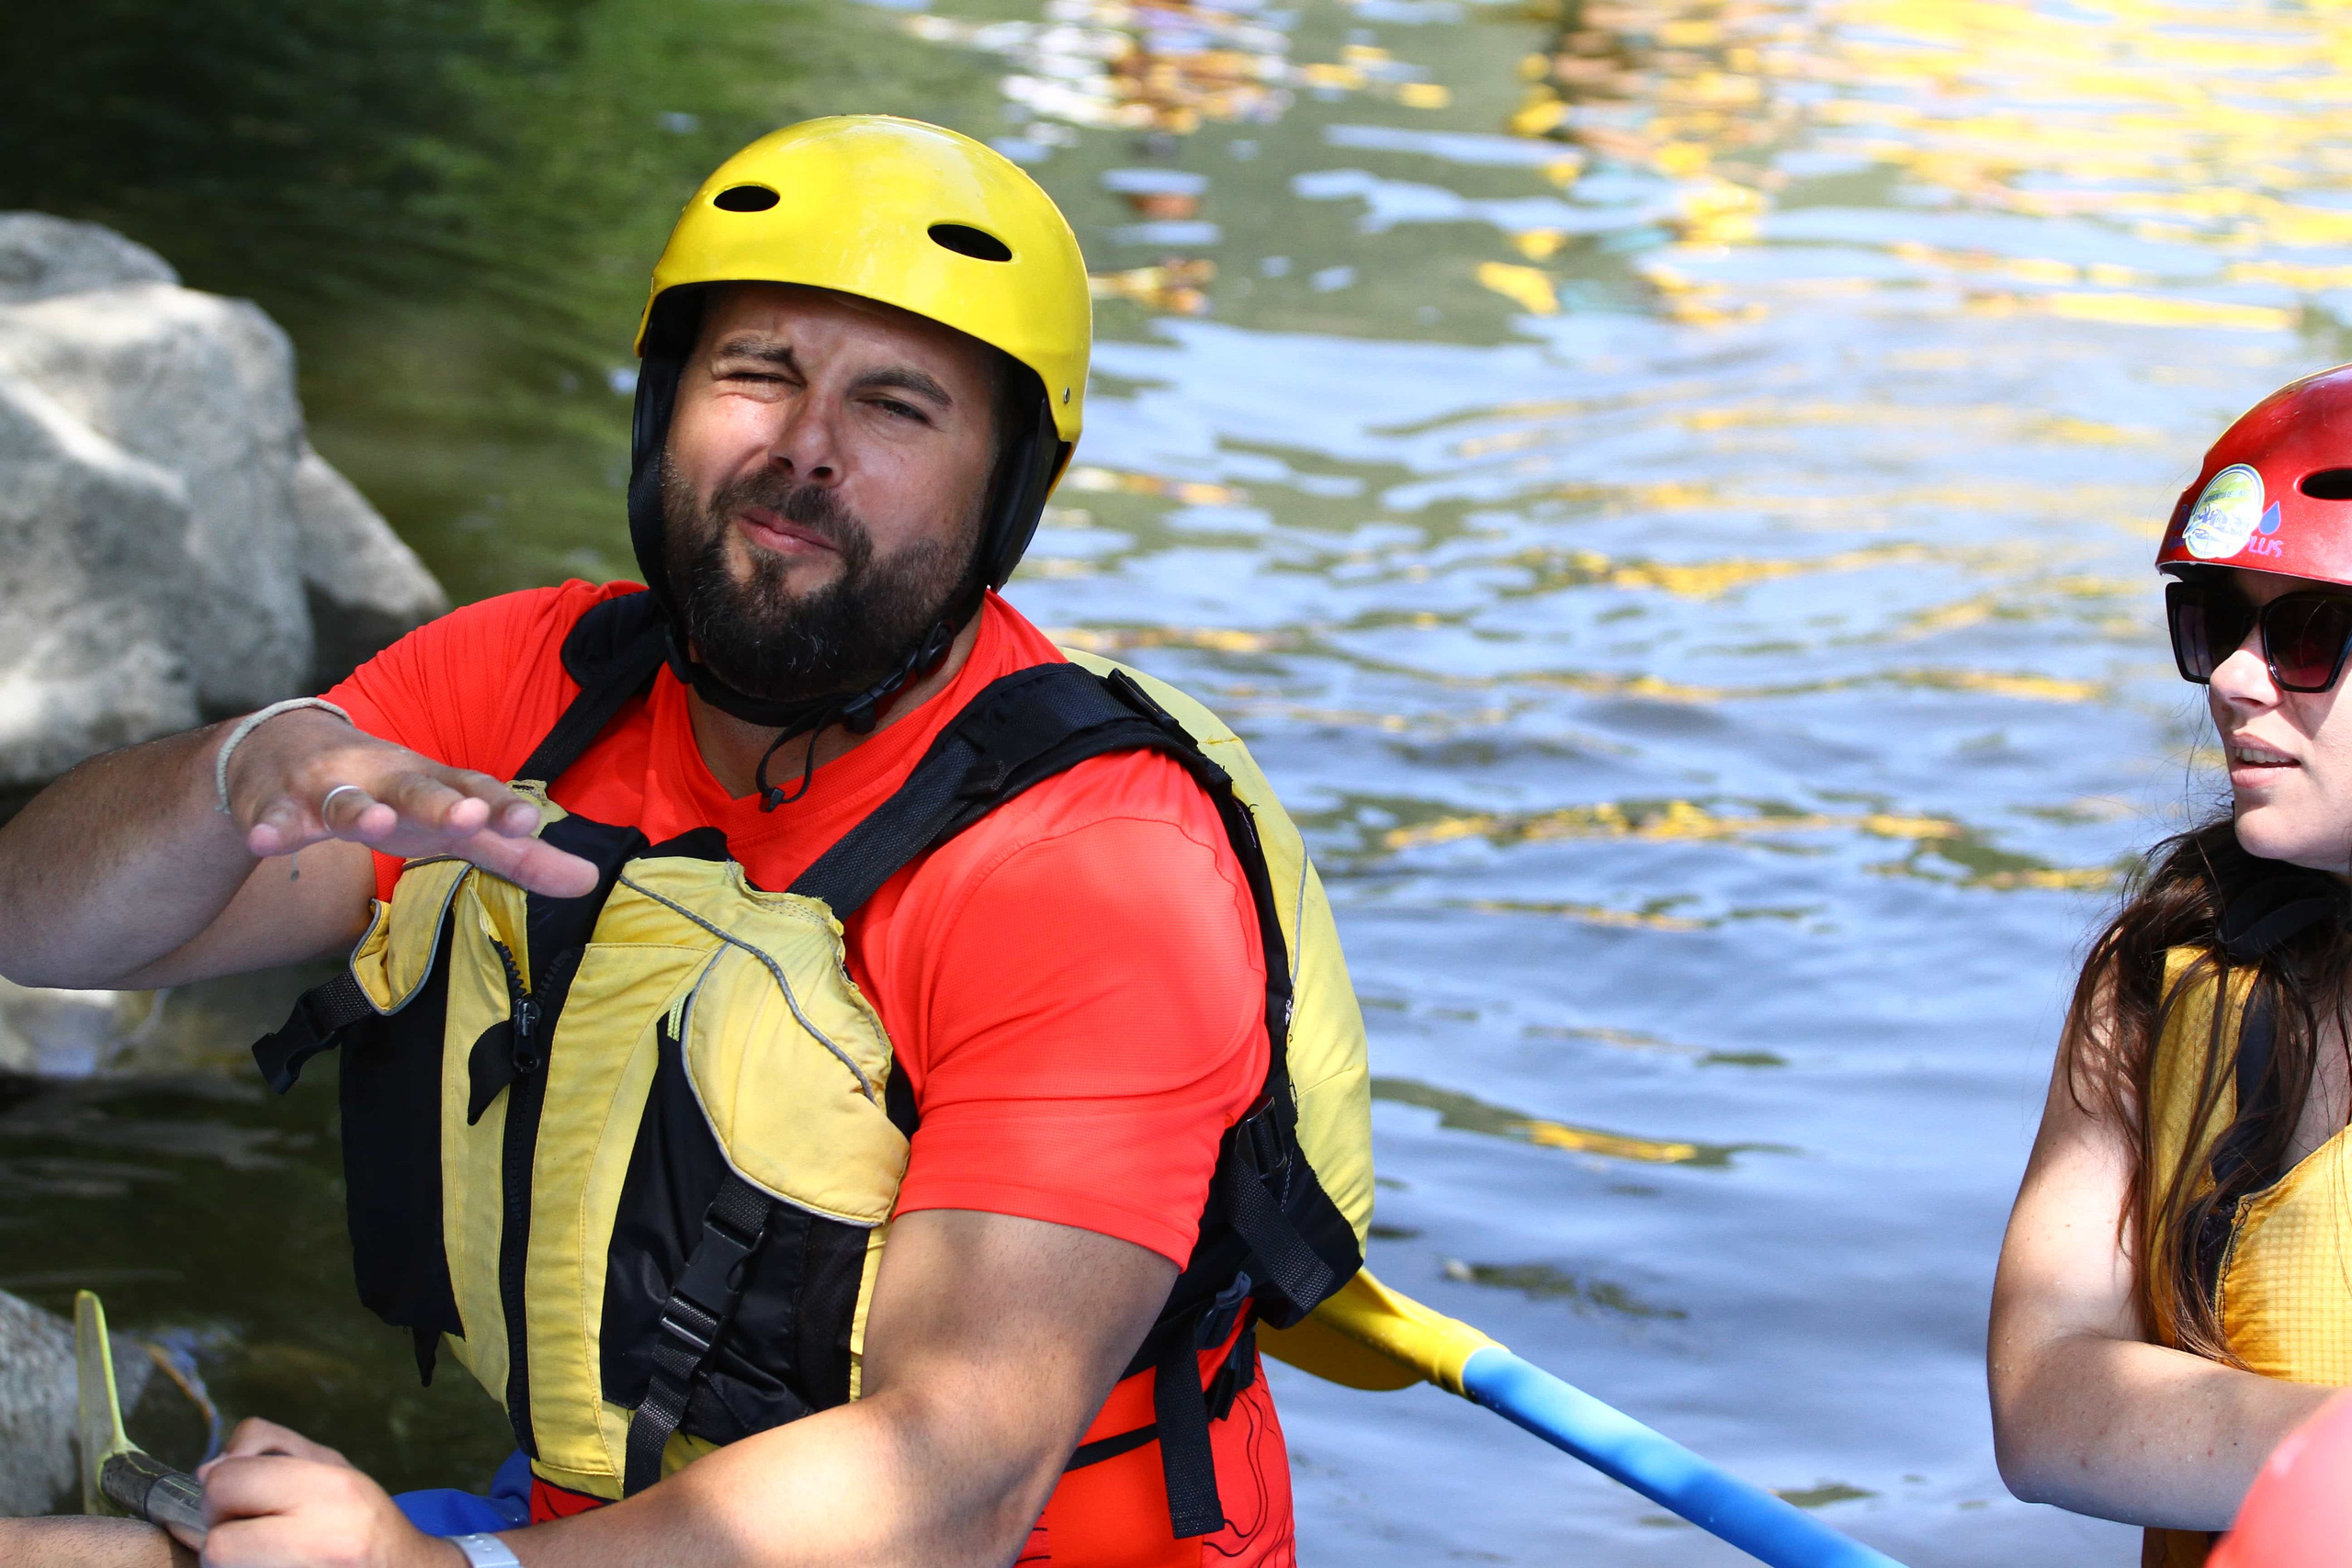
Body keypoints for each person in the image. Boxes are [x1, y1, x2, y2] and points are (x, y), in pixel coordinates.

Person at [0, 116, 1371, 1568]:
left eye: (899, 408)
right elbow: (41, 931)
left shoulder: (1094, 871)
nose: (806, 450)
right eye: (756, 372)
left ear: (1003, 494)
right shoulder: (528, 687)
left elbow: (955, 1485)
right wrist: (237, 766)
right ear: (666, 406)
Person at [1989, 366, 2352, 1565]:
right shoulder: (2160, 972)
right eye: (2215, 622)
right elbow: (2043, 1401)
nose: (2237, 678)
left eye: (2307, 632)